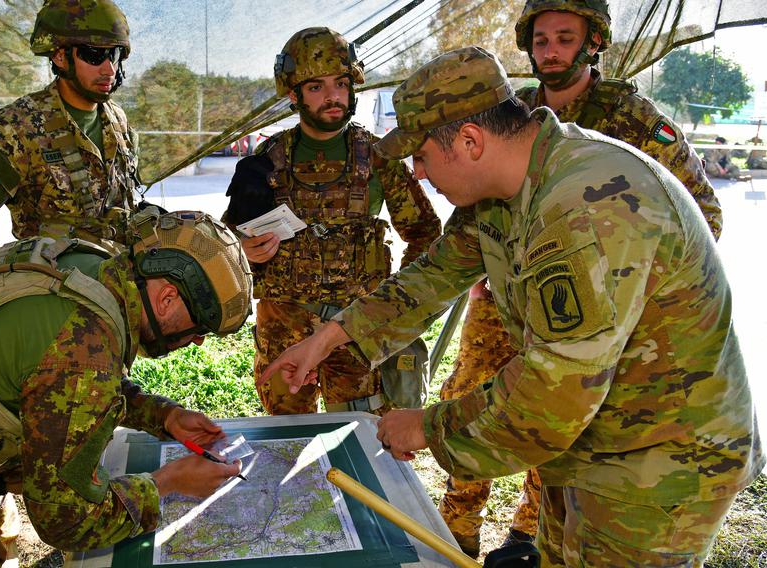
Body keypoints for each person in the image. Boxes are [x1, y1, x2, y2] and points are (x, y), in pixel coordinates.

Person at [261, 47, 763, 566]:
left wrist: (428, 426)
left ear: (470, 142)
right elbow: (432, 275)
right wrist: (326, 338)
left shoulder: (586, 205)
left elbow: (550, 397)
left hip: (657, 464)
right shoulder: (511, 183)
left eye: (424, 157)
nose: (423, 175)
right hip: (592, 443)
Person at [439, 0, 726, 555]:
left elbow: (701, 215)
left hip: (591, 310)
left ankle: (525, 534)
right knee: (474, 396)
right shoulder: (513, 112)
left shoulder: (636, 120)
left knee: (561, 414)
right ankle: (458, 525)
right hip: (508, 301)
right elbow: (474, 200)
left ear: (593, 42)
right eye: (540, 39)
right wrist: (476, 263)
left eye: (564, 38)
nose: (550, 51)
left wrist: (629, 283)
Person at [0, 209, 253, 566]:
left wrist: (163, 415)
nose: (197, 341)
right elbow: (66, 522)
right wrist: (169, 481)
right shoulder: (83, 352)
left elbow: (54, 376)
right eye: (200, 326)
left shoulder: (92, 266)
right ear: (167, 298)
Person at [226, 27, 440, 416]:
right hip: (283, 334)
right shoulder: (265, 161)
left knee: (358, 435)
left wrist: (394, 305)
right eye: (316, 87)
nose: (332, 96)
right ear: (293, 95)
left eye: (341, 83)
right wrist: (244, 251)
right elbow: (226, 243)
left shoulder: (378, 158)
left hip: (355, 333)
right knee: (286, 442)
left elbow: (425, 233)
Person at [0, 0, 142, 258]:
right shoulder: (17, 130)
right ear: (60, 56)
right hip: (56, 288)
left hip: (119, 277)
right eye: (94, 54)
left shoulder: (118, 122)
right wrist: (10, 278)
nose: (109, 68)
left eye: (116, 54)